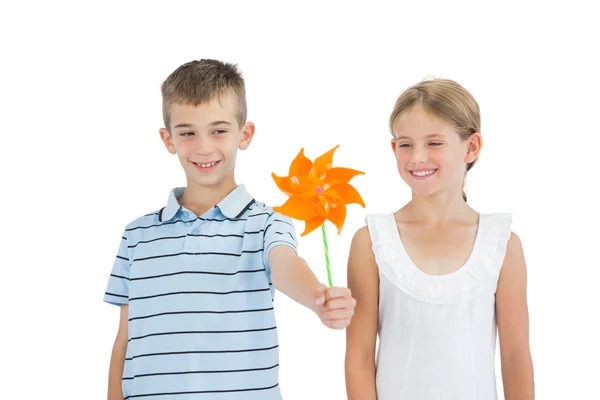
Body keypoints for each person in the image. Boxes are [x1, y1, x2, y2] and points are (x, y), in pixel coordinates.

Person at [104, 59, 356, 400]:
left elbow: (284, 264)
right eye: (187, 132)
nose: (204, 147)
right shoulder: (137, 236)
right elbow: (124, 340)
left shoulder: (267, 223)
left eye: (218, 130)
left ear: (245, 134)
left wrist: (317, 296)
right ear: (168, 139)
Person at [344, 78, 534, 399]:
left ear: (471, 147)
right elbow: (359, 357)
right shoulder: (371, 242)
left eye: (434, 143)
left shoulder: (502, 244)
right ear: (394, 149)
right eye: (406, 144)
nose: (417, 157)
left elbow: (515, 358)